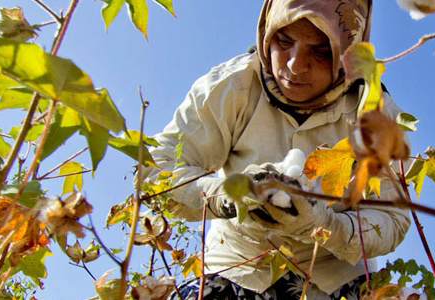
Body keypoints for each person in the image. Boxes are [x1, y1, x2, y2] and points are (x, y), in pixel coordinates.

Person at [147, 0, 411, 299]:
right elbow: (157, 169)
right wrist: (227, 195)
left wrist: (323, 224)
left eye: (321, 51)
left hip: (335, 274)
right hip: (237, 265)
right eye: (284, 42)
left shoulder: (376, 116)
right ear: (267, 33)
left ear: (347, 52)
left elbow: (392, 219)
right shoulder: (231, 87)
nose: (296, 65)